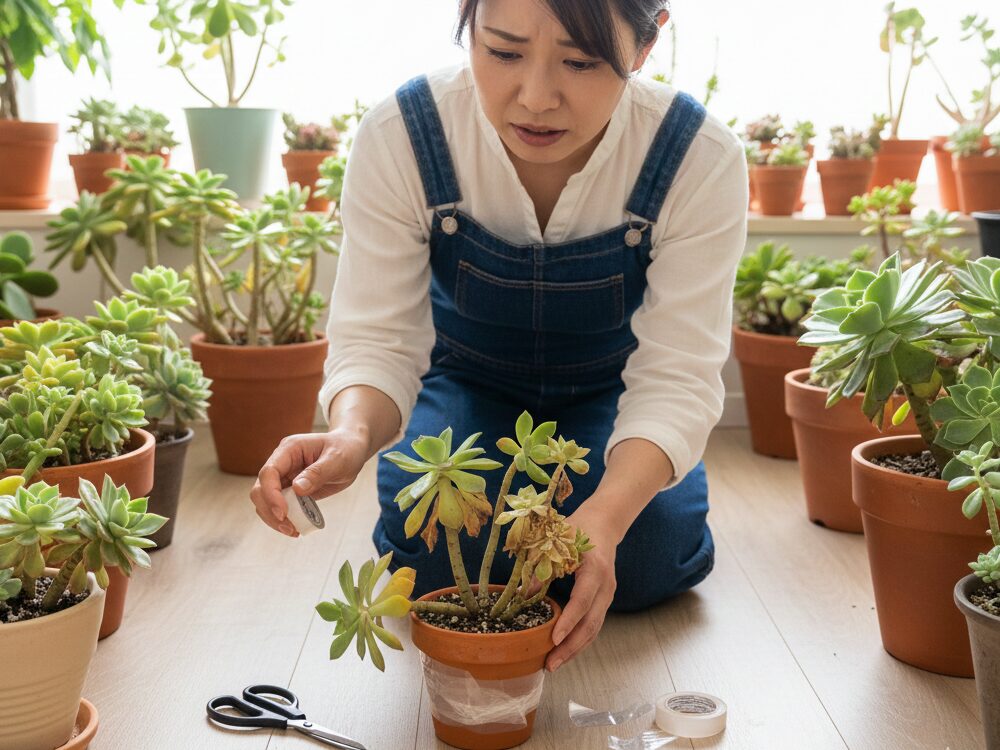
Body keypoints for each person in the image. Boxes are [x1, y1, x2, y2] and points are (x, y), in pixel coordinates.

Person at [250, 0, 747, 673]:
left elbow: (677, 375)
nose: (536, 97)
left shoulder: (697, 154)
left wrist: (605, 518)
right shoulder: (404, 133)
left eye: (580, 61)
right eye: (503, 51)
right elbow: (378, 339)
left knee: (643, 549)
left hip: (617, 397)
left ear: (645, 45)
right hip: (468, 386)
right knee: (434, 557)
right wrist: (352, 434)